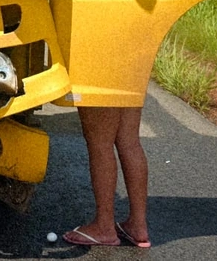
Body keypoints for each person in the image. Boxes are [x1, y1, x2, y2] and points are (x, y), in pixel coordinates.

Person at [63, 106, 151, 248]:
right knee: (130, 142)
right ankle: (138, 225)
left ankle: (103, 227)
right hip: (132, 89)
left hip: (101, 90)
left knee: (100, 142)